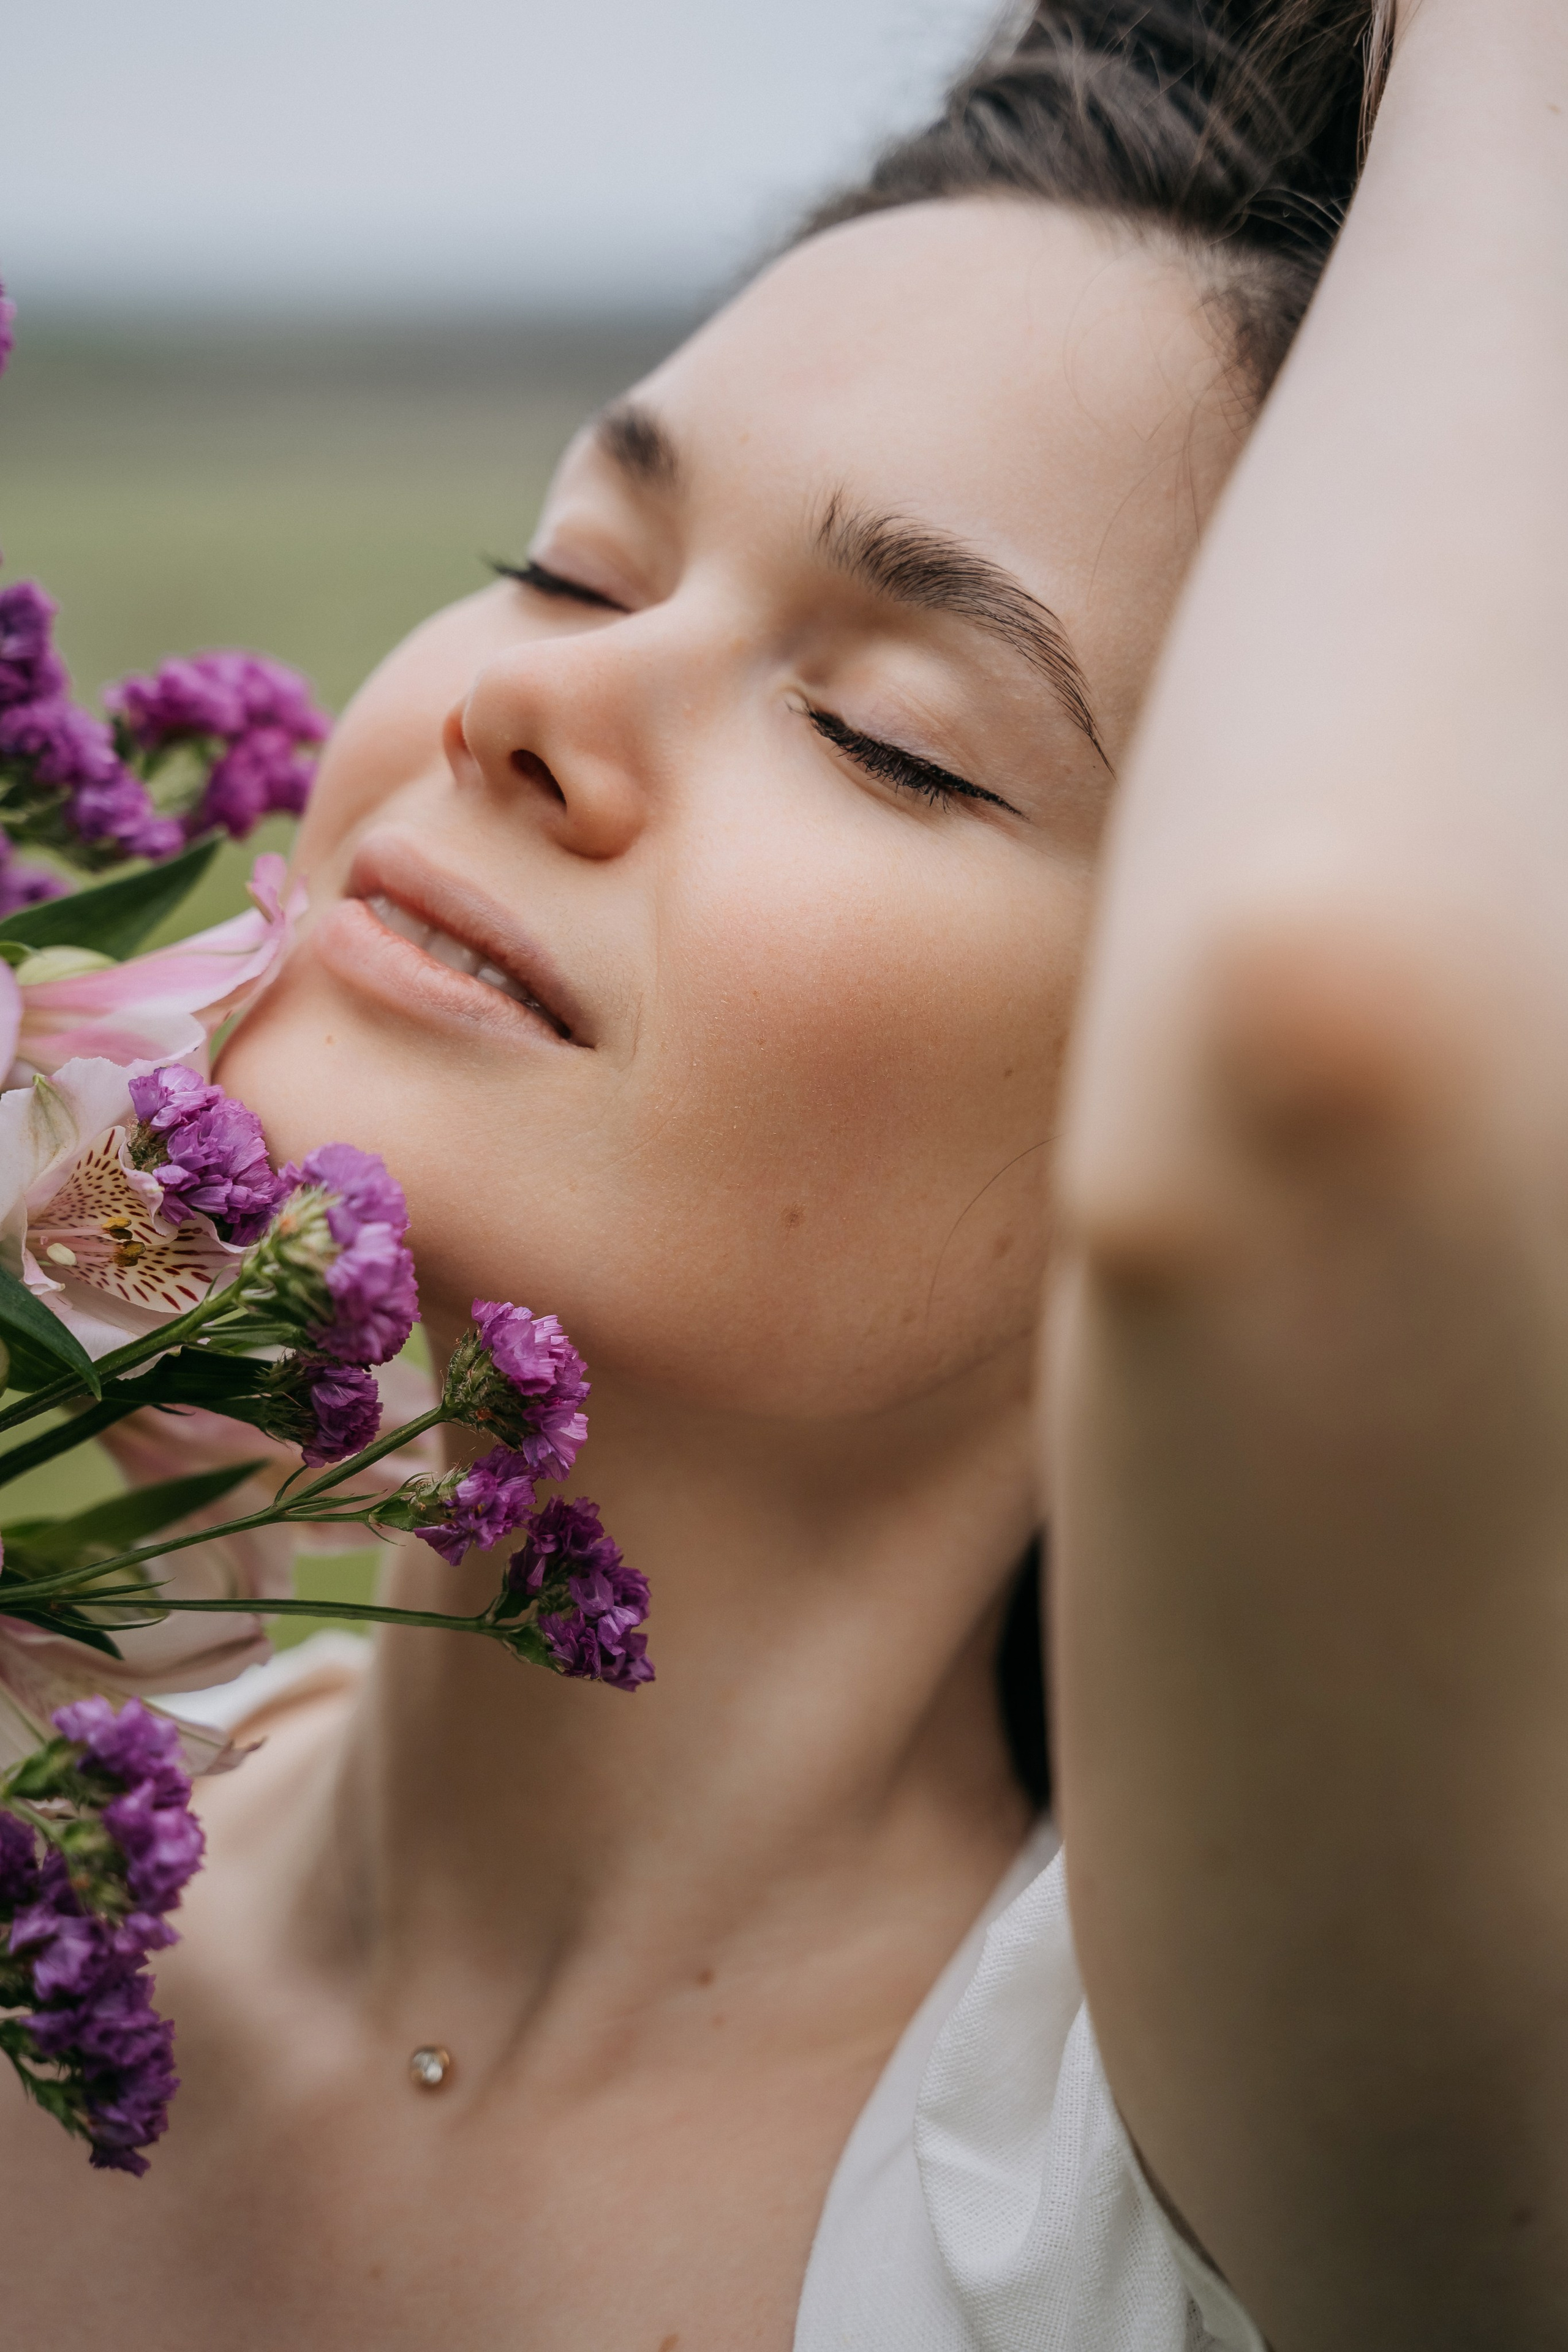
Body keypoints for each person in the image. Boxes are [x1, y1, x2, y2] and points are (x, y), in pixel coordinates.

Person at [4, 0, 1563, 2344]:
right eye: (568, 568)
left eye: (886, 740)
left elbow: (1323, 1072)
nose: (519, 708)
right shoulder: (46, 1834)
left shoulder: (1175, 2201)